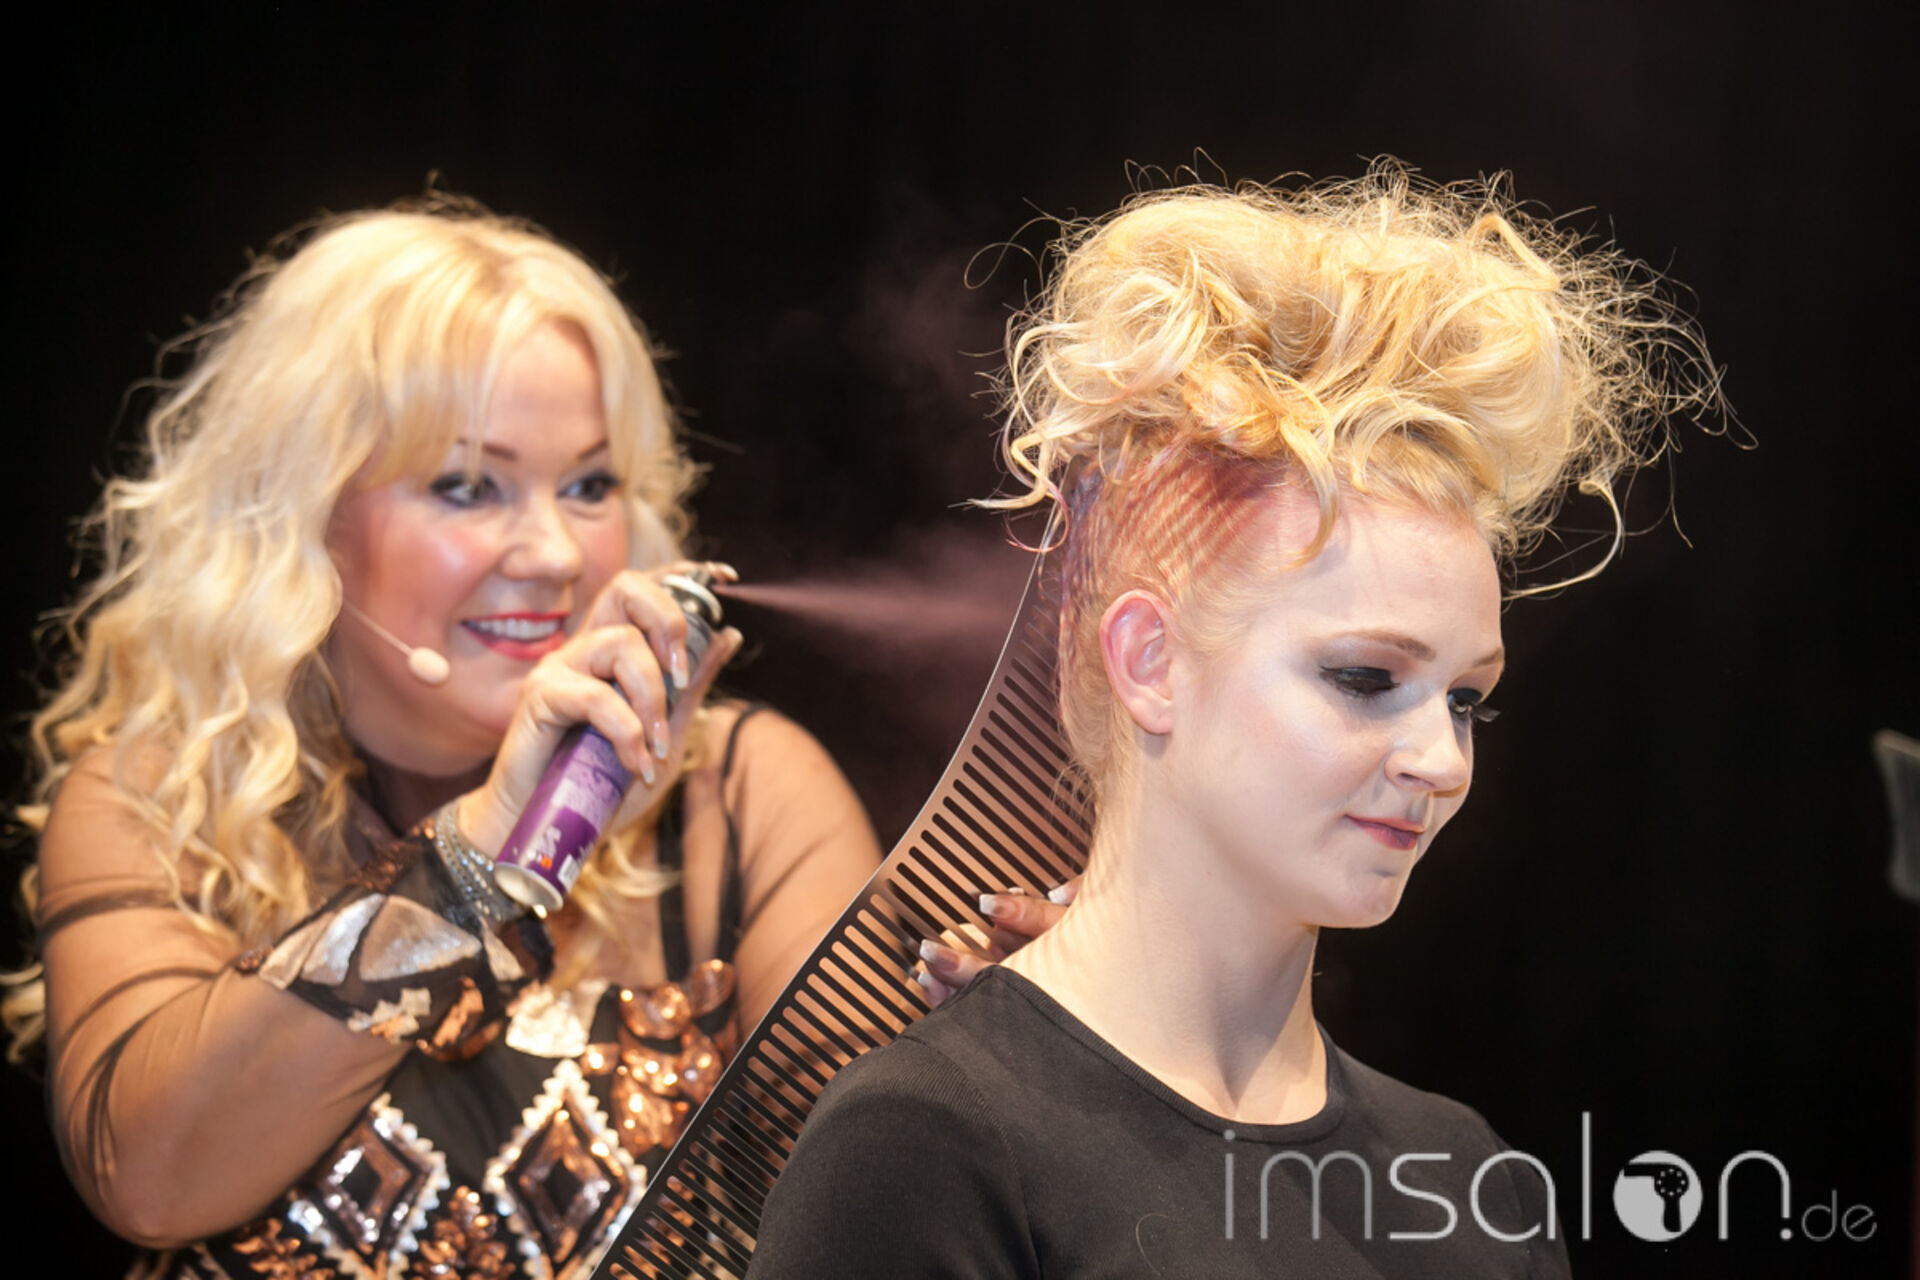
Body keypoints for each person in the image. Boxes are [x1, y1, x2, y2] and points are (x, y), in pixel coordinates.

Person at [747, 168, 1722, 1277]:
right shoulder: (930, 1148)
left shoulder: (1466, 1180)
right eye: (1365, 678)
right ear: (1149, 662)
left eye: (1466, 699)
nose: (1441, 760)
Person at [4, 198, 882, 1278]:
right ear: (305, 520)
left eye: (590, 485)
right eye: (469, 486)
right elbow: (151, 1177)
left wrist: (1010, 1041)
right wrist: (478, 853)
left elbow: (875, 1200)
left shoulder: (738, 791)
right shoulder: (160, 801)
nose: (555, 553)